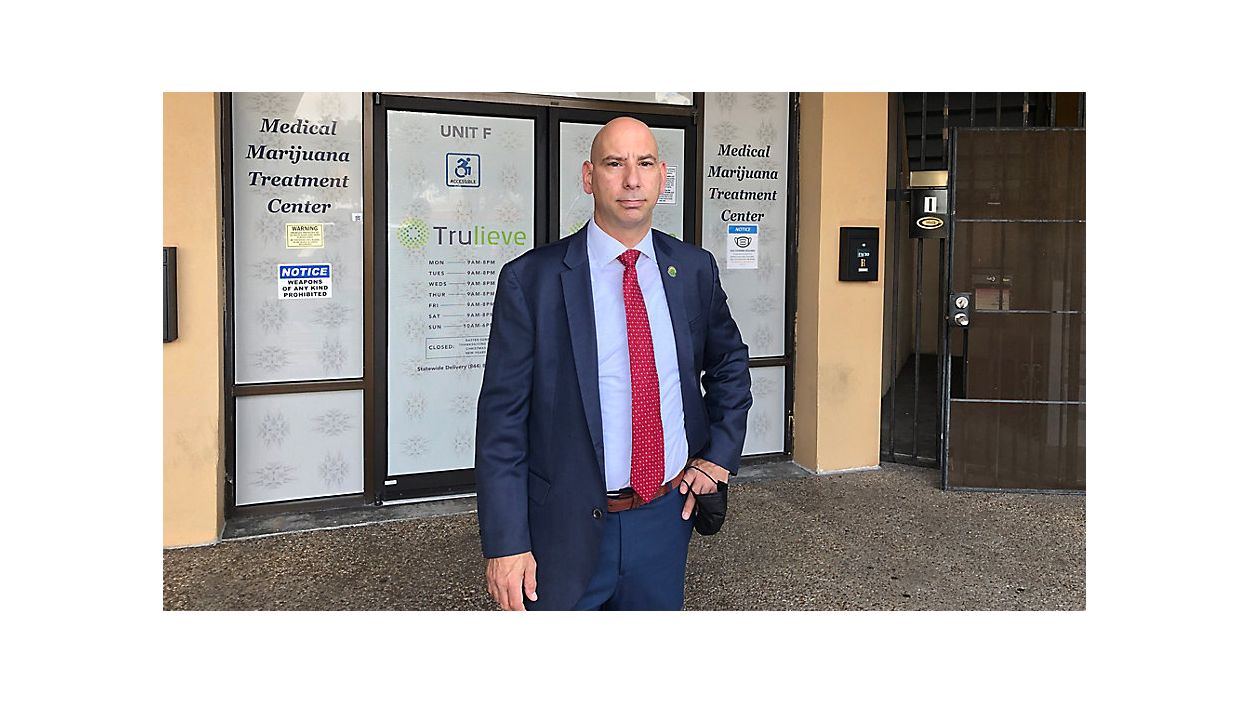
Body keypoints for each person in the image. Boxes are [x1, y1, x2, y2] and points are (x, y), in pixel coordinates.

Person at [475, 116, 752, 611]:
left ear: (661, 176)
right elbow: (502, 421)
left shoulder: (692, 269)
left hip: (664, 518)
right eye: (614, 164)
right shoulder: (531, 281)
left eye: (644, 163)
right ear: (588, 177)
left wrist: (718, 457)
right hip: (560, 528)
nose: (631, 180)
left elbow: (729, 361)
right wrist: (506, 542)